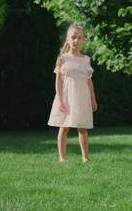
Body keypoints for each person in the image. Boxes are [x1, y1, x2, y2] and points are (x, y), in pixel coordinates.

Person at [48, 23, 98, 162]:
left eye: (79, 37)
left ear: (83, 40)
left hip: (82, 96)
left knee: (82, 127)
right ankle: (62, 157)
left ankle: (85, 157)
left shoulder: (86, 59)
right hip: (66, 96)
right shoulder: (62, 58)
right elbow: (58, 81)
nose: (76, 40)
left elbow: (89, 80)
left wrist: (93, 98)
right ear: (68, 39)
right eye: (73, 37)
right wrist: (59, 99)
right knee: (64, 126)